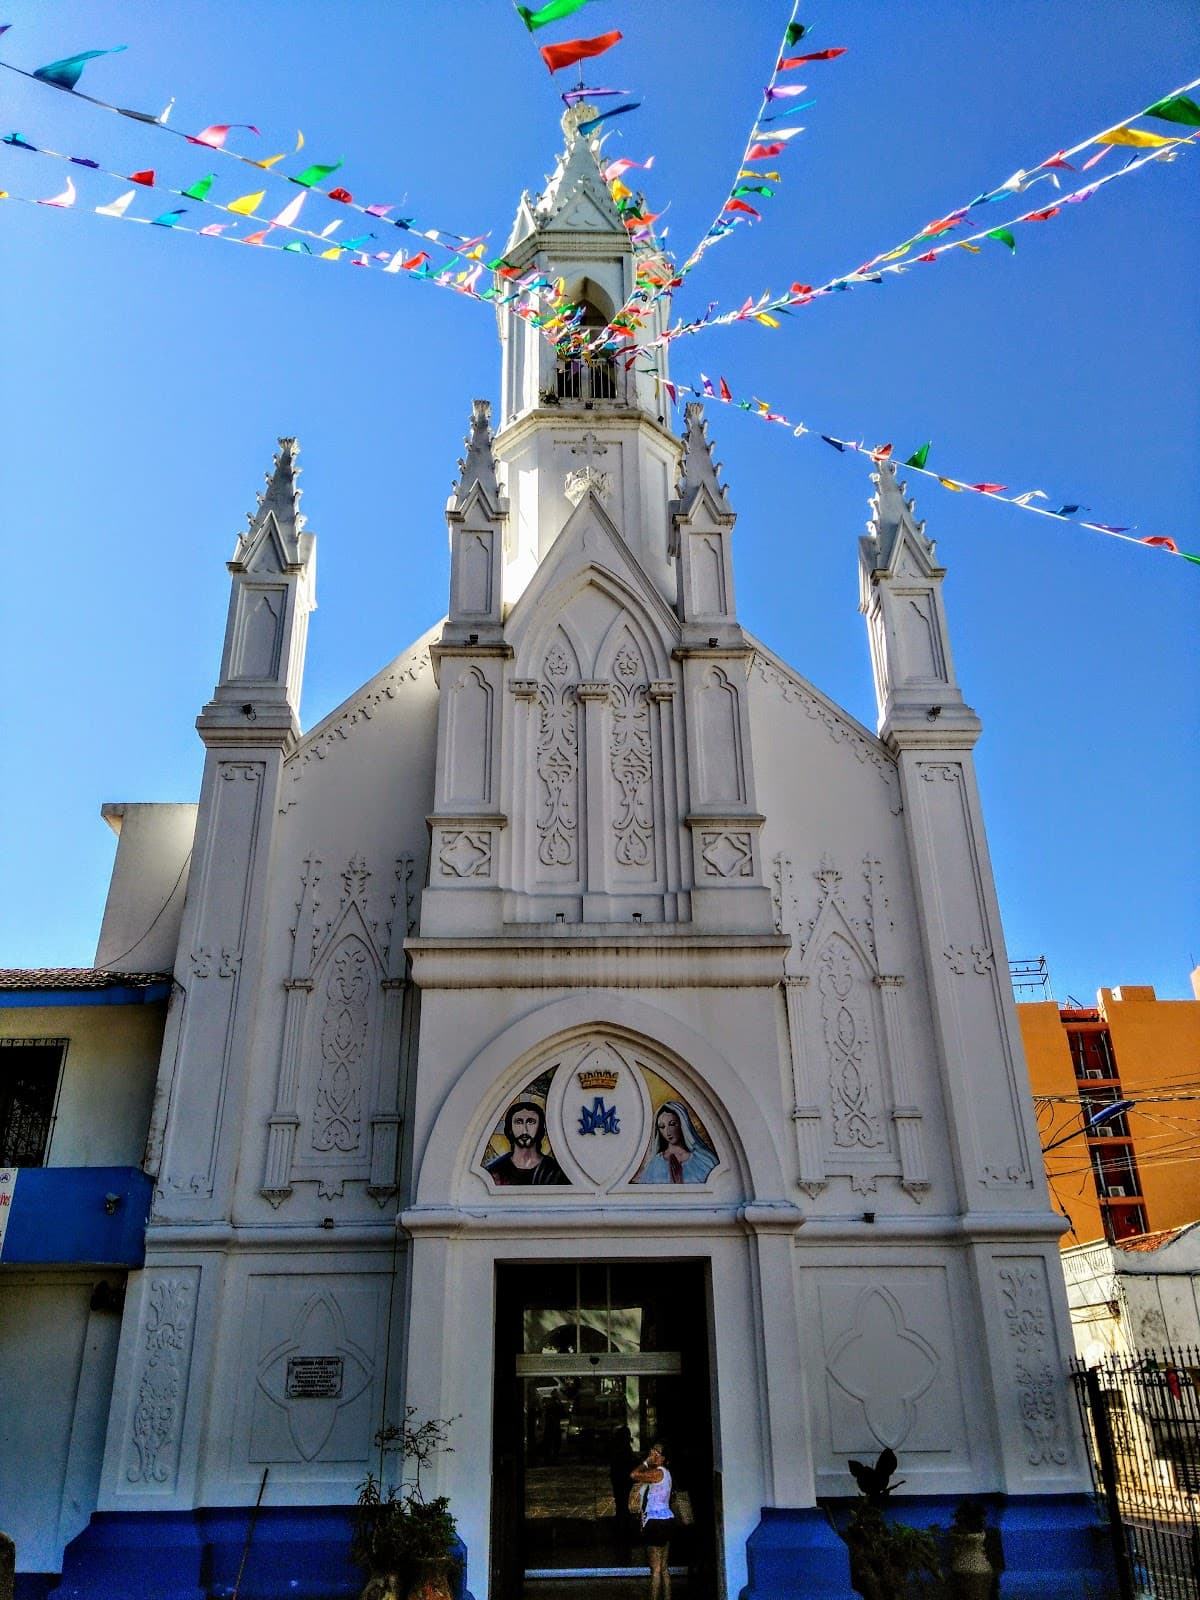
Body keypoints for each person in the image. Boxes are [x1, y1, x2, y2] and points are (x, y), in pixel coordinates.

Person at [485, 1100, 569, 1185]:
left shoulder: (554, 1172)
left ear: (539, 1128)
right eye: (518, 1122)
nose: (525, 1130)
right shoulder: (496, 1171)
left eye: (531, 1122)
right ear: (510, 1129)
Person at [631, 1439, 674, 1600]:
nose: (653, 1454)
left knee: (655, 1570)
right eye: (652, 1451)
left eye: (657, 1452)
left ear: (662, 1458)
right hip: (667, 1519)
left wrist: (646, 1462)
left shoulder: (657, 1473)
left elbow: (634, 1474)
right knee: (664, 1568)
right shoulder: (667, 1474)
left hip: (655, 1522)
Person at [636, 1101, 717, 1184]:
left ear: (682, 1124)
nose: (667, 1132)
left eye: (672, 1124)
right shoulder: (654, 1164)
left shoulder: (704, 1161)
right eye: (662, 1127)